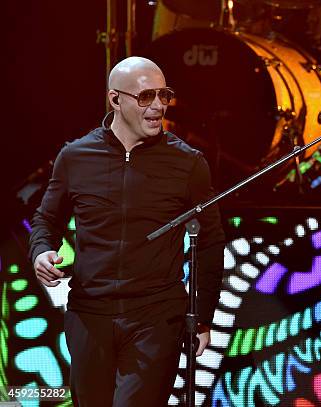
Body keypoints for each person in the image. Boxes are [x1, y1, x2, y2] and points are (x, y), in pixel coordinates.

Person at [29, 57, 226, 406]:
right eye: (146, 96)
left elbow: (210, 242)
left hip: (155, 317)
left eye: (164, 96)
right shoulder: (75, 157)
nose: (158, 107)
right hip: (90, 314)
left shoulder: (188, 163)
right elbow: (47, 219)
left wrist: (203, 316)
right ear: (115, 99)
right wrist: (42, 250)